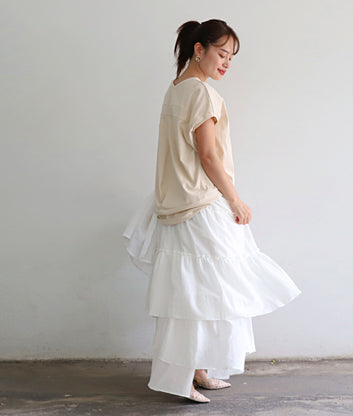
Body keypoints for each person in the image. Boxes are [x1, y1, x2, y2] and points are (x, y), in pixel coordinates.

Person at [122, 19, 302, 403]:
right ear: (199, 49)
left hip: (176, 204)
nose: (227, 63)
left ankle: (196, 371)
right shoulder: (201, 93)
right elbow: (207, 155)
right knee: (204, 291)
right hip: (199, 203)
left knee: (193, 291)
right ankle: (183, 378)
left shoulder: (175, 89)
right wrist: (234, 199)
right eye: (221, 54)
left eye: (231, 57)